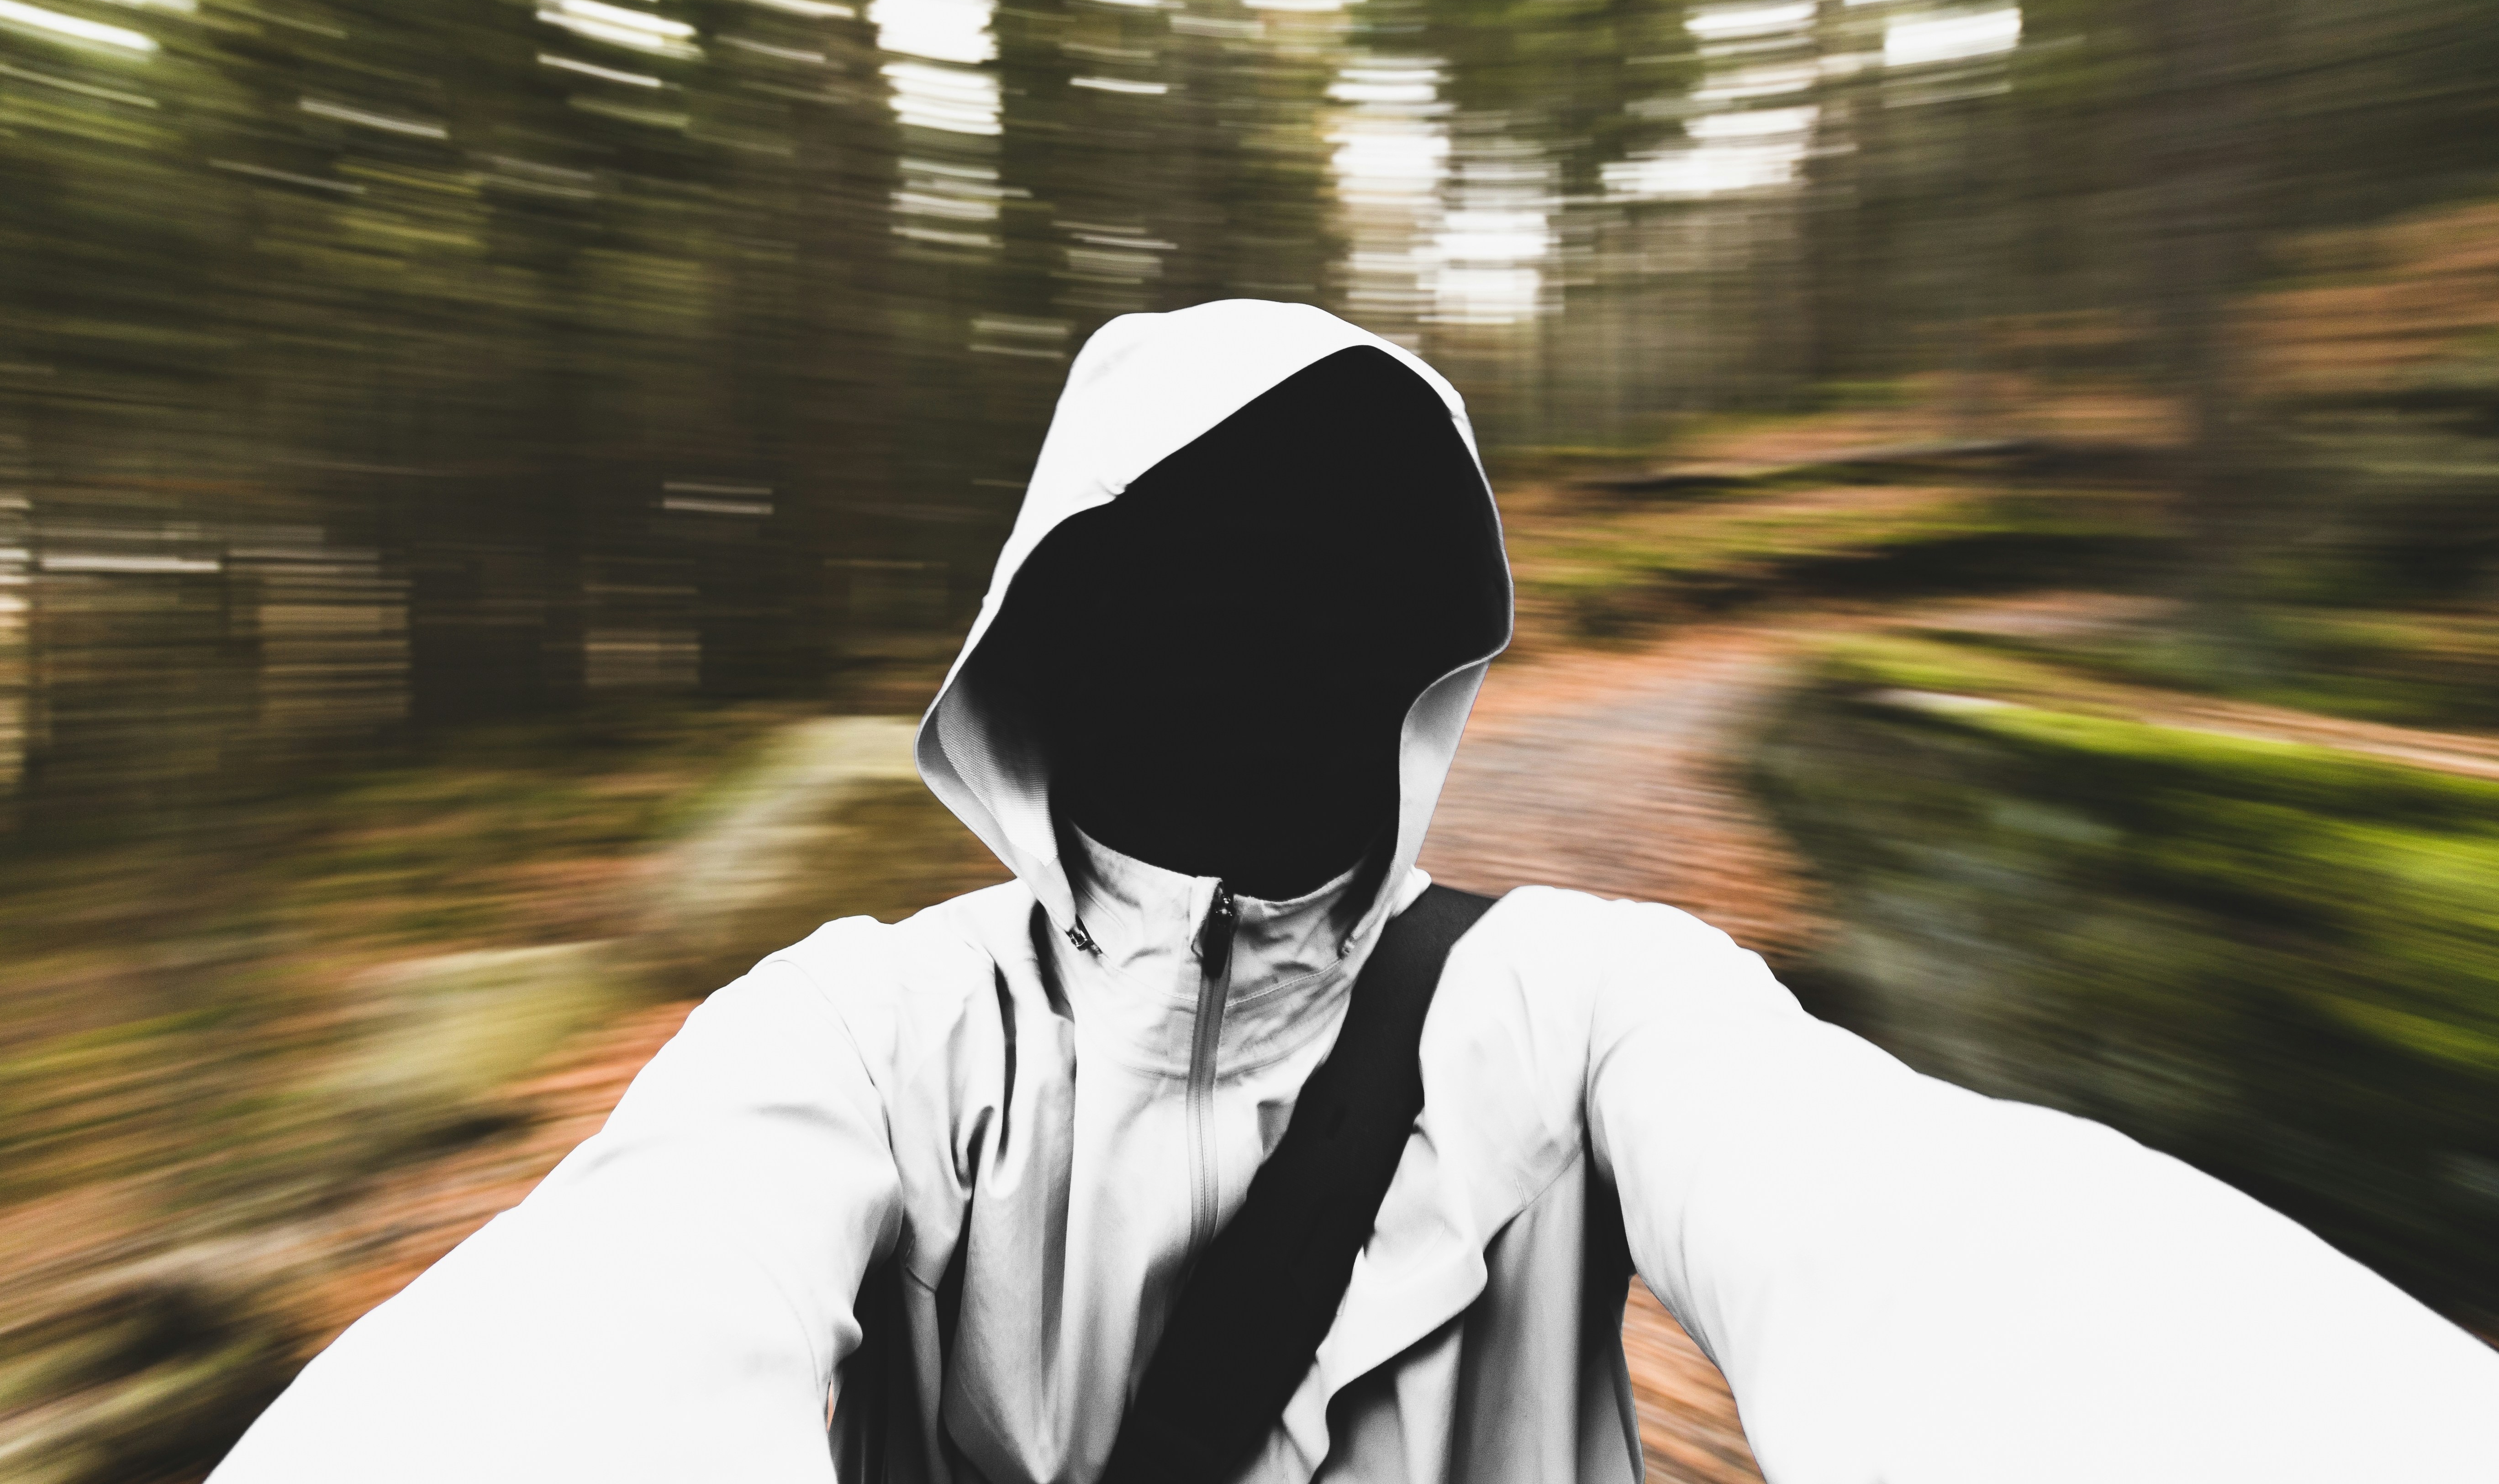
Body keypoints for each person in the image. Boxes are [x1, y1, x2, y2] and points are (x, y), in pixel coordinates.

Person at [213, 301, 2498, 1483]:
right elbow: (591, 1333)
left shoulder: (1583, 1003)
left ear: (1415, 658)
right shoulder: (866, 1033)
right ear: (1045, 638)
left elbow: (1932, 1231)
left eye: (1320, 599)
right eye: (1178, 590)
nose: (1251, 653)